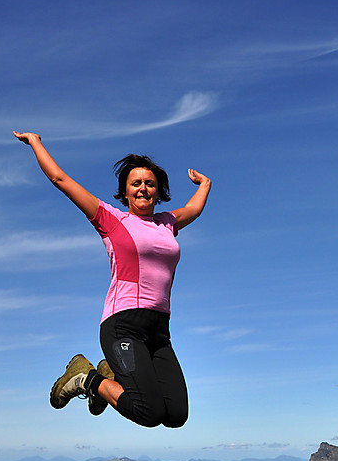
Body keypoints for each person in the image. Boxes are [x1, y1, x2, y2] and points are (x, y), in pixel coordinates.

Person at [13, 131, 211, 428]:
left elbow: (194, 209)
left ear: (158, 191)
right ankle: (87, 378)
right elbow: (60, 180)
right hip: (123, 327)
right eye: (136, 183)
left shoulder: (167, 224)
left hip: (159, 330)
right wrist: (36, 143)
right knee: (149, 413)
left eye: (150, 183)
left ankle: (107, 374)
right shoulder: (111, 220)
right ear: (125, 191)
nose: (143, 188)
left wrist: (205, 184)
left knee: (176, 415)